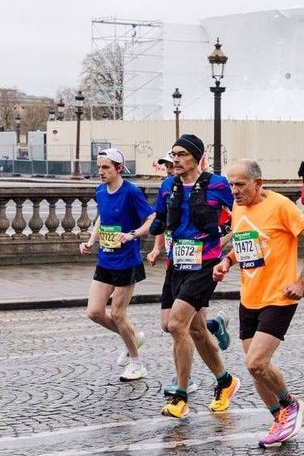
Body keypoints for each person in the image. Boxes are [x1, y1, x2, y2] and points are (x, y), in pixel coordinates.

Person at [213, 159, 304, 446]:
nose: (234, 191)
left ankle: (290, 404)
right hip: (249, 296)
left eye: (240, 184)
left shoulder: (281, 206)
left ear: (258, 183)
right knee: (257, 371)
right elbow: (245, 245)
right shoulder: (239, 206)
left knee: (256, 363)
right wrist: (226, 261)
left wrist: (302, 282)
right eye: (231, 185)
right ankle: (279, 419)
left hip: (280, 296)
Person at [148, 134, 240, 418]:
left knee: (177, 325)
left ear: (197, 158)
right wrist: (146, 236)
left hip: (204, 266)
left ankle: (181, 396)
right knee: (189, 329)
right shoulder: (167, 186)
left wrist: (225, 247)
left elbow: (243, 214)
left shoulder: (218, 185)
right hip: (177, 264)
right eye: (173, 153)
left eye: (182, 154)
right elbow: (159, 220)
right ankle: (225, 381)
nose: (175, 159)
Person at [80, 148, 156, 382]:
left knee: (118, 314)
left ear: (119, 169)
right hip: (105, 259)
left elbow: (151, 218)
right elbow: (103, 217)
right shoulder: (100, 191)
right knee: (94, 312)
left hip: (127, 261)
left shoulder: (131, 192)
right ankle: (132, 337)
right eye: (99, 167)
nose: (100, 172)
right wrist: (91, 240)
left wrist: (133, 234)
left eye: (105, 168)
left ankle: (137, 364)